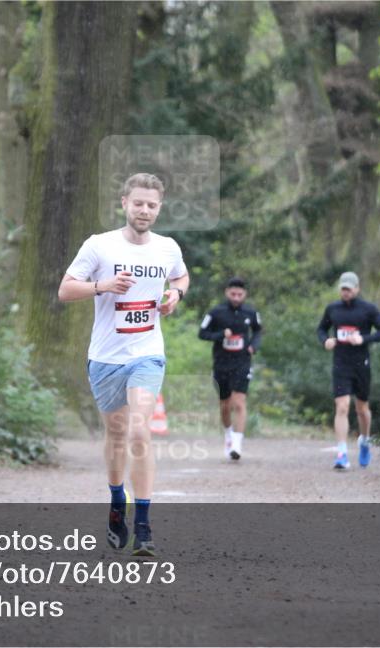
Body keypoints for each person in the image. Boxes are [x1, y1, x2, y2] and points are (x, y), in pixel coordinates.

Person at [58, 173, 189, 557]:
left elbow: (181, 275)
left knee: (138, 431)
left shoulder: (167, 248)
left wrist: (175, 294)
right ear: (124, 203)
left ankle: (144, 524)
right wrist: (104, 286)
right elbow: (66, 289)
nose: (144, 210)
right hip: (105, 358)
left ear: (159, 208)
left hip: (147, 355)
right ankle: (118, 501)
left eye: (151, 205)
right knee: (116, 436)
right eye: (138, 203)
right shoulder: (99, 246)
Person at [316, 271, 380, 470]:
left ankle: (364, 441)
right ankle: (341, 454)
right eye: (343, 288)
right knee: (341, 406)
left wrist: (364, 339)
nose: (346, 291)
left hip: (361, 365)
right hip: (341, 363)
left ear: (357, 289)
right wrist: (326, 340)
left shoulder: (368, 309)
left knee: (362, 409)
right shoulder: (333, 309)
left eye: (349, 288)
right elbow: (321, 329)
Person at [198, 278, 263, 460]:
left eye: (239, 294)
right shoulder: (216, 312)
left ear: (245, 295)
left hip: (242, 362)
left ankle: (237, 443)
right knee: (225, 405)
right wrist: (220, 335)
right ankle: (228, 434)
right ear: (227, 292)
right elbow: (202, 333)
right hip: (221, 364)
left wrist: (254, 346)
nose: (236, 297)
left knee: (239, 402)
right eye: (233, 294)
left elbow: (258, 330)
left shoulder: (251, 312)